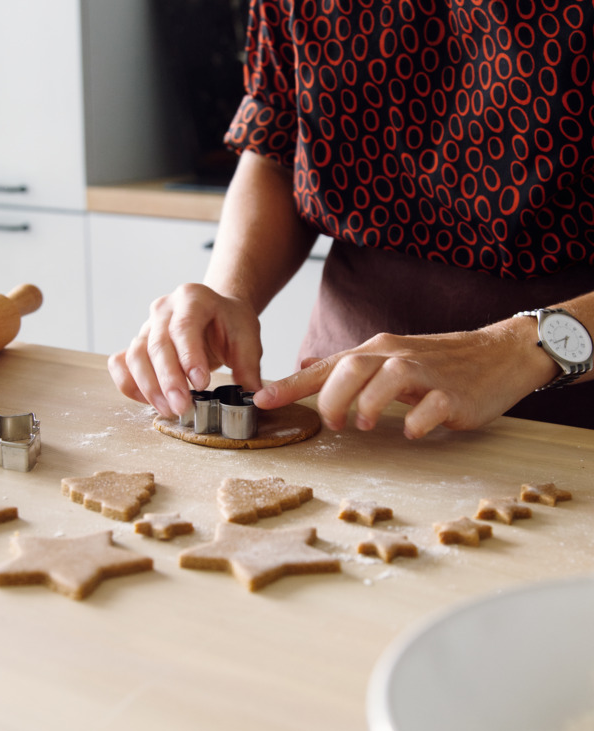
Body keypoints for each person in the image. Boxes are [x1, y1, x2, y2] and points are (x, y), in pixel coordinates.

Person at [109, 1, 594, 436]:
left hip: (569, 400)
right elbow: (279, 147)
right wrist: (229, 294)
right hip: (349, 399)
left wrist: (523, 346)